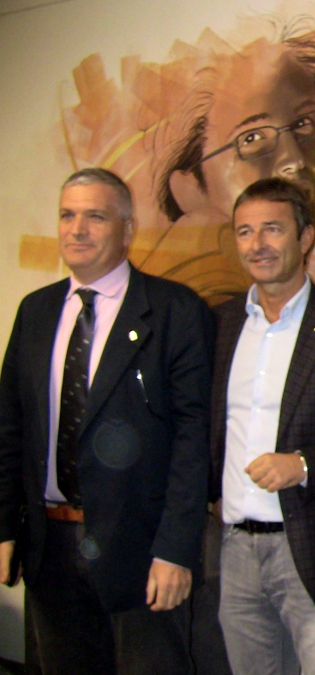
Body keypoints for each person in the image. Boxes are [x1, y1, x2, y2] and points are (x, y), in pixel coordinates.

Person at [0, 168, 214, 674]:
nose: (77, 229)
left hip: (142, 551)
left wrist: (176, 551)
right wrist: (4, 526)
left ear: (127, 228)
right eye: (67, 215)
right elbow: (10, 427)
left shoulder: (174, 310)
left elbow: (194, 439)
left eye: (95, 217)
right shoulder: (36, 311)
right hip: (50, 547)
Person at [209, 177, 315, 675]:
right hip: (234, 550)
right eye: (245, 232)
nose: (257, 244)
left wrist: (303, 465)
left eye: (272, 229)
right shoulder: (218, 325)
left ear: (305, 238)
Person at [149, 30, 315, 302]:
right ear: (190, 189)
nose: (294, 160)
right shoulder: (201, 319)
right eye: (252, 138)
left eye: (304, 123)